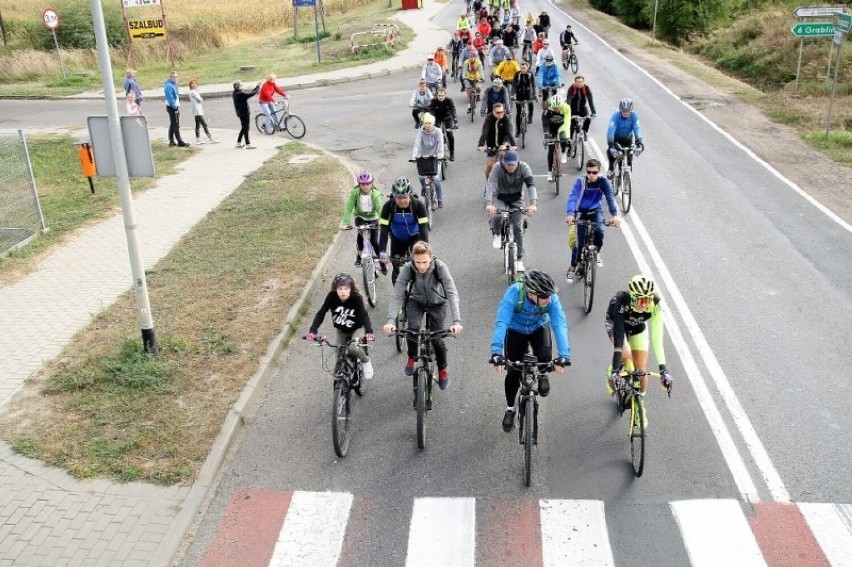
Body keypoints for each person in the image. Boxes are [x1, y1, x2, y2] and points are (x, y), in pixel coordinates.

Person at [489, 270, 570, 432]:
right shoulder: (514, 293)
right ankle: (510, 409)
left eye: (549, 296)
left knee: (545, 358)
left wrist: (564, 355)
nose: (549, 299)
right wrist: (496, 352)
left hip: (538, 327)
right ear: (531, 293)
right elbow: (502, 322)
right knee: (513, 372)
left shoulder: (551, 299)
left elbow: (559, 325)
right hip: (515, 330)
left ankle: (542, 373)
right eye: (545, 297)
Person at [383, 241, 463, 390]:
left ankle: (443, 370)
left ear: (431, 258)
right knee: (412, 330)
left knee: (436, 339)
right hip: (416, 302)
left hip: (437, 303)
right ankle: (412, 357)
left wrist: (456, 321)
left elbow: (451, 292)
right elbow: (397, 294)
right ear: (413, 259)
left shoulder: (440, 267)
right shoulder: (408, 268)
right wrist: (390, 320)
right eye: (417, 262)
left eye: (425, 262)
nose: (421, 266)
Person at [605, 275, 672, 426]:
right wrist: (616, 370)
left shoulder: (655, 304)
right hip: (616, 324)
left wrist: (664, 370)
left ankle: (639, 404)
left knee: (641, 371)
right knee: (625, 353)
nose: (645, 305)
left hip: (638, 328)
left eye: (648, 300)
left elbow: (657, 340)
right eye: (641, 300)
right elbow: (619, 338)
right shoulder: (621, 301)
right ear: (633, 298)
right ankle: (612, 371)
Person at [306, 273, 375, 380]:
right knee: (339, 354)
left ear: (351, 289)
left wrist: (369, 331)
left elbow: (363, 314)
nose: (343, 291)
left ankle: (365, 361)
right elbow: (321, 313)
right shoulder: (331, 297)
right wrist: (312, 330)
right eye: (340, 288)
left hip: (357, 329)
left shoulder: (356, 298)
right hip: (341, 330)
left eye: (346, 288)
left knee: (353, 348)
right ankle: (342, 383)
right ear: (335, 289)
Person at [564, 159, 620, 282]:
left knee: (600, 230)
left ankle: (596, 252)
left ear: (599, 172)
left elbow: (610, 197)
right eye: (589, 172)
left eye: (594, 172)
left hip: (595, 212)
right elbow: (573, 197)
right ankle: (573, 267)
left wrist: (614, 214)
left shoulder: (604, 182)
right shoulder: (581, 182)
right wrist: (570, 213)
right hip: (581, 213)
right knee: (579, 243)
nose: (591, 175)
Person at [484, 150, 536, 272]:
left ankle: (519, 260)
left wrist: (533, 204)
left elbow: (531, 186)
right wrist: (489, 204)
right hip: (500, 196)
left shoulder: (524, 167)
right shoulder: (497, 167)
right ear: (504, 162)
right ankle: (496, 233)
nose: (511, 167)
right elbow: (490, 184)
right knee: (497, 215)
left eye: (513, 164)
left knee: (518, 227)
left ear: (517, 162)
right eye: (508, 164)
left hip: (516, 198)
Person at [378, 177, 430, 285]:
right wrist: (382, 250)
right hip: (397, 239)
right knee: (396, 267)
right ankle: (398, 297)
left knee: (419, 264)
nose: (402, 201)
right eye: (398, 198)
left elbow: (423, 228)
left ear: (410, 194)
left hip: (415, 237)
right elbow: (384, 229)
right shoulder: (388, 207)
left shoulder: (418, 205)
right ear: (393, 197)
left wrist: (425, 248)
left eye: (405, 197)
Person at [342, 171, 384, 271]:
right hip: (360, 217)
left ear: (372, 183)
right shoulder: (355, 193)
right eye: (363, 184)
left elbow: (379, 208)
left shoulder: (375, 194)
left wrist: (382, 221)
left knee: (374, 241)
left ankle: (382, 262)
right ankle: (359, 256)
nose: (365, 186)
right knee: (360, 239)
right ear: (359, 184)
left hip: (373, 218)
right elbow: (349, 207)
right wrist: (346, 223)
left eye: (368, 184)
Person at [412, 113, 446, 208]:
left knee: (436, 179)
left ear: (433, 123)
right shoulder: (420, 132)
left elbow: (440, 145)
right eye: (425, 123)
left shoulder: (438, 132)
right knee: (421, 177)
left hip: (435, 158)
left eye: (429, 123)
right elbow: (417, 144)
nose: (427, 125)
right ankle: (424, 188)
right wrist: (414, 156)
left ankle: (439, 199)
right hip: (424, 158)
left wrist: (440, 155)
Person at [606, 98, 644, 178]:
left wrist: (639, 143)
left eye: (628, 111)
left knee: (629, 157)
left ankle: (627, 179)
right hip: (616, 140)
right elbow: (610, 131)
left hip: (628, 139)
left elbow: (637, 129)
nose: (626, 113)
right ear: (620, 110)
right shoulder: (615, 116)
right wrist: (611, 146)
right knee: (613, 153)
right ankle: (611, 168)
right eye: (624, 111)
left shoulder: (634, 116)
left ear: (631, 110)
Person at [477, 102, 517, 180]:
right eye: (498, 113)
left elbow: (509, 132)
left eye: (502, 112)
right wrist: (481, 144)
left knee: (502, 153)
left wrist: (513, 144)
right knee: (489, 165)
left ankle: (507, 176)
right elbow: (485, 132)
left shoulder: (505, 118)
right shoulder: (489, 118)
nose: (500, 114)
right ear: (493, 112)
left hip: (504, 141)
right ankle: (489, 183)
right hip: (491, 144)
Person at [542, 95, 572, 181]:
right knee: (551, 149)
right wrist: (546, 135)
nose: (556, 109)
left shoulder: (566, 108)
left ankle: (563, 153)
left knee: (564, 138)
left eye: (558, 108)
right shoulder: (547, 110)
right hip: (551, 127)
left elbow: (567, 123)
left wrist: (567, 137)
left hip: (562, 125)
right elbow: (545, 124)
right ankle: (549, 172)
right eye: (554, 108)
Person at [429, 88, 458, 161]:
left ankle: (452, 152)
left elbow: (453, 110)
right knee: (435, 133)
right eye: (439, 95)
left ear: (445, 95)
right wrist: (431, 122)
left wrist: (455, 120)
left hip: (447, 117)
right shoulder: (433, 101)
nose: (441, 97)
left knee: (450, 134)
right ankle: (436, 151)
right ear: (437, 95)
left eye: (442, 95)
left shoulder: (449, 100)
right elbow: (431, 111)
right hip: (437, 118)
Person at [188, 78, 218, 145]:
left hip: (197, 110)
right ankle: (211, 139)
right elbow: (199, 99)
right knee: (204, 124)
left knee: (197, 125)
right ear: (190, 85)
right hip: (197, 111)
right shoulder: (193, 92)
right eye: (192, 83)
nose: (194, 84)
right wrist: (201, 98)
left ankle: (198, 140)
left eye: (195, 83)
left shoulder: (194, 91)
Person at [232, 80, 260, 149]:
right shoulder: (240, 94)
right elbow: (251, 94)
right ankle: (248, 144)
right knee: (246, 128)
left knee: (243, 127)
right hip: (244, 113)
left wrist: (256, 87)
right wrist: (258, 87)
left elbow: (249, 93)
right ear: (238, 86)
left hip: (240, 112)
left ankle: (238, 142)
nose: (243, 86)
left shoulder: (234, 92)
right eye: (241, 85)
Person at [164, 71, 189, 147]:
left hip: (174, 106)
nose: (175, 78)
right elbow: (170, 98)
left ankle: (171, 141)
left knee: (173, 124)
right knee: (176, 124)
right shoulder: (168, 86)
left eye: (176, 77)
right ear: (170, 77)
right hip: (172, 107)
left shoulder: (174, 84)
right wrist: (175, 107)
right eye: (173, 77)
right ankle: (179, 141)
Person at [567, 75, 596, 140]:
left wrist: (593, 112)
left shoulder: (586, 88)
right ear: (575, 82)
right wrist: (568, 112)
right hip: (573, 109)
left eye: (581, 82)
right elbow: (568, 100)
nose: (579, 83)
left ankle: (584, 131)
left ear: (583, 82)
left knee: (588, 118)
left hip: (582, 108)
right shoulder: (571, 88)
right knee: (571, 125)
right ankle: (570, 143)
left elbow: (590, 101)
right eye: (578, 82)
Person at [513, 60, 536, 136]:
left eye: (524, 68)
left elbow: (533, 85)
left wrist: (534, 95)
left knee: (531, 103)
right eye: (521, 68)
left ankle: (530, 116)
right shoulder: (517, 74)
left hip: (528, 92)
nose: (523, 69)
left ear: (527, 68)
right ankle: (518, 130)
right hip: (519, 94)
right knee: (518, 113)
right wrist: (513, 95)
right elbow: (514, 85)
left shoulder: (530, 74)